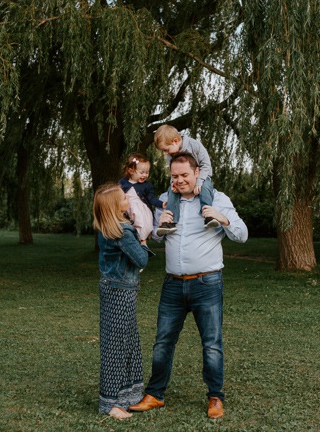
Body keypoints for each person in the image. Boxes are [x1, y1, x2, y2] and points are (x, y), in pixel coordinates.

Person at [129, 152, 248, 419]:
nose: (179, 180)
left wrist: (223, 217)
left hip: (207, 283)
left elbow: (242, 234)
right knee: (162, 342)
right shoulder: (165, 199)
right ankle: (155, 394)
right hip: (172, 284)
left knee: (212, 343)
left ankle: (215, 397)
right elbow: (158, 237)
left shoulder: (216, 198)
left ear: (197, 173)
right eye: (174, 176)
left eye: (184, 175)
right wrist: (157, 227)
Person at [92, 183, 154, 420]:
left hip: (114, 288)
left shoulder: (108, 229)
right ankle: (110, 403)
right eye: (124, 199)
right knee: (117, 346)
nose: (128, 200)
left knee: (125, 341)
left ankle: (128, 395)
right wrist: (144, 242)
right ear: (115, 206)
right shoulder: (122, 231)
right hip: (120, 292)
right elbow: (141, 261)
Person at [154, 125, 218, 235]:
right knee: (172, 191)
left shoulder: (194, 145)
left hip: (202, 175)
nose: (166, 153)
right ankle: (170, 222)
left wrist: (199, 182)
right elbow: (173, 172)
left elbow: (206, 165)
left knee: (205, 187)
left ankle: (208, 215)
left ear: (175, 141)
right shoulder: (171, 155)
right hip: (184, 178)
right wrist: (173, 183)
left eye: (166, 149)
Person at [117, 152, 165, 243]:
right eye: (142, 172)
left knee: (140, 221)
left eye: (147, 172)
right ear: (131, 171)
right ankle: (132, 238)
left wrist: (161, 204)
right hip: (126, 208)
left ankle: (142, 240)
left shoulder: (147, 185)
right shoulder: (123, 182)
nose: (145, 175)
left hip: (141, 210)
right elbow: (116, 195)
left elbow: (152, 198)